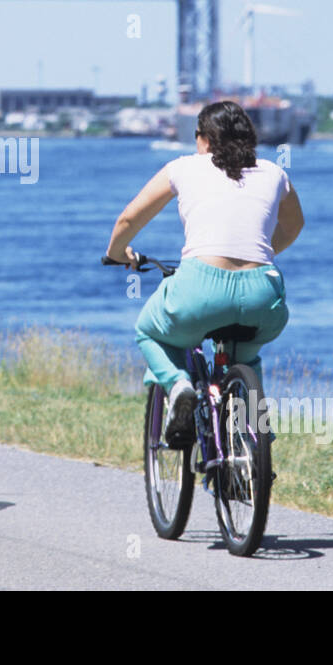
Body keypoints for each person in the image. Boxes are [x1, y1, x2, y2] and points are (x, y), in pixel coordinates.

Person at [104, 100, 304, 442]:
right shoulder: (273, 173)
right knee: (245, 357)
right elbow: (295, 224)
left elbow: (128, 219)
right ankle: (256, 448)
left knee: (149, 332)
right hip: (263, 295)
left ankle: (179, 385)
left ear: (204, 139)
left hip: (200, 289)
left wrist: (117, 253)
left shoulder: (184, 168)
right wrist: (263, 252)